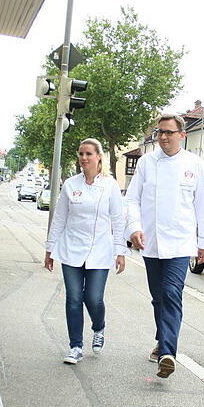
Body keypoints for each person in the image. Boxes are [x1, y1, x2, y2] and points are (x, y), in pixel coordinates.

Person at [125, 113, 204, 378]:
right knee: (158, 297)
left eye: (168, 132)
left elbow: (201, 206)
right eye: (159, 133)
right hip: (151, 242)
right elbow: (131, 200)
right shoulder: (146, 163)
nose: (163, 137)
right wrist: (134, 228)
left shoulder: (194, 164)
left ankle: (167, 352)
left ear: (182, 135)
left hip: (180, 243)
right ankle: (162, 339)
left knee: (171, 293)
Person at [45, 138, 128, 365]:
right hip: (71, 249)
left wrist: (120, 251)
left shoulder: (109, 185)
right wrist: (50, 249)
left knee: (93, 298)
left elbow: (118, 220)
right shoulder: (71, 184)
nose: (83, 158)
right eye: (81, 154)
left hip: (100, 251)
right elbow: (59, 218)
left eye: (88, 154)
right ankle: (75, 346)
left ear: (99, 157)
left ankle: (98, 328)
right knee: (74, 298)